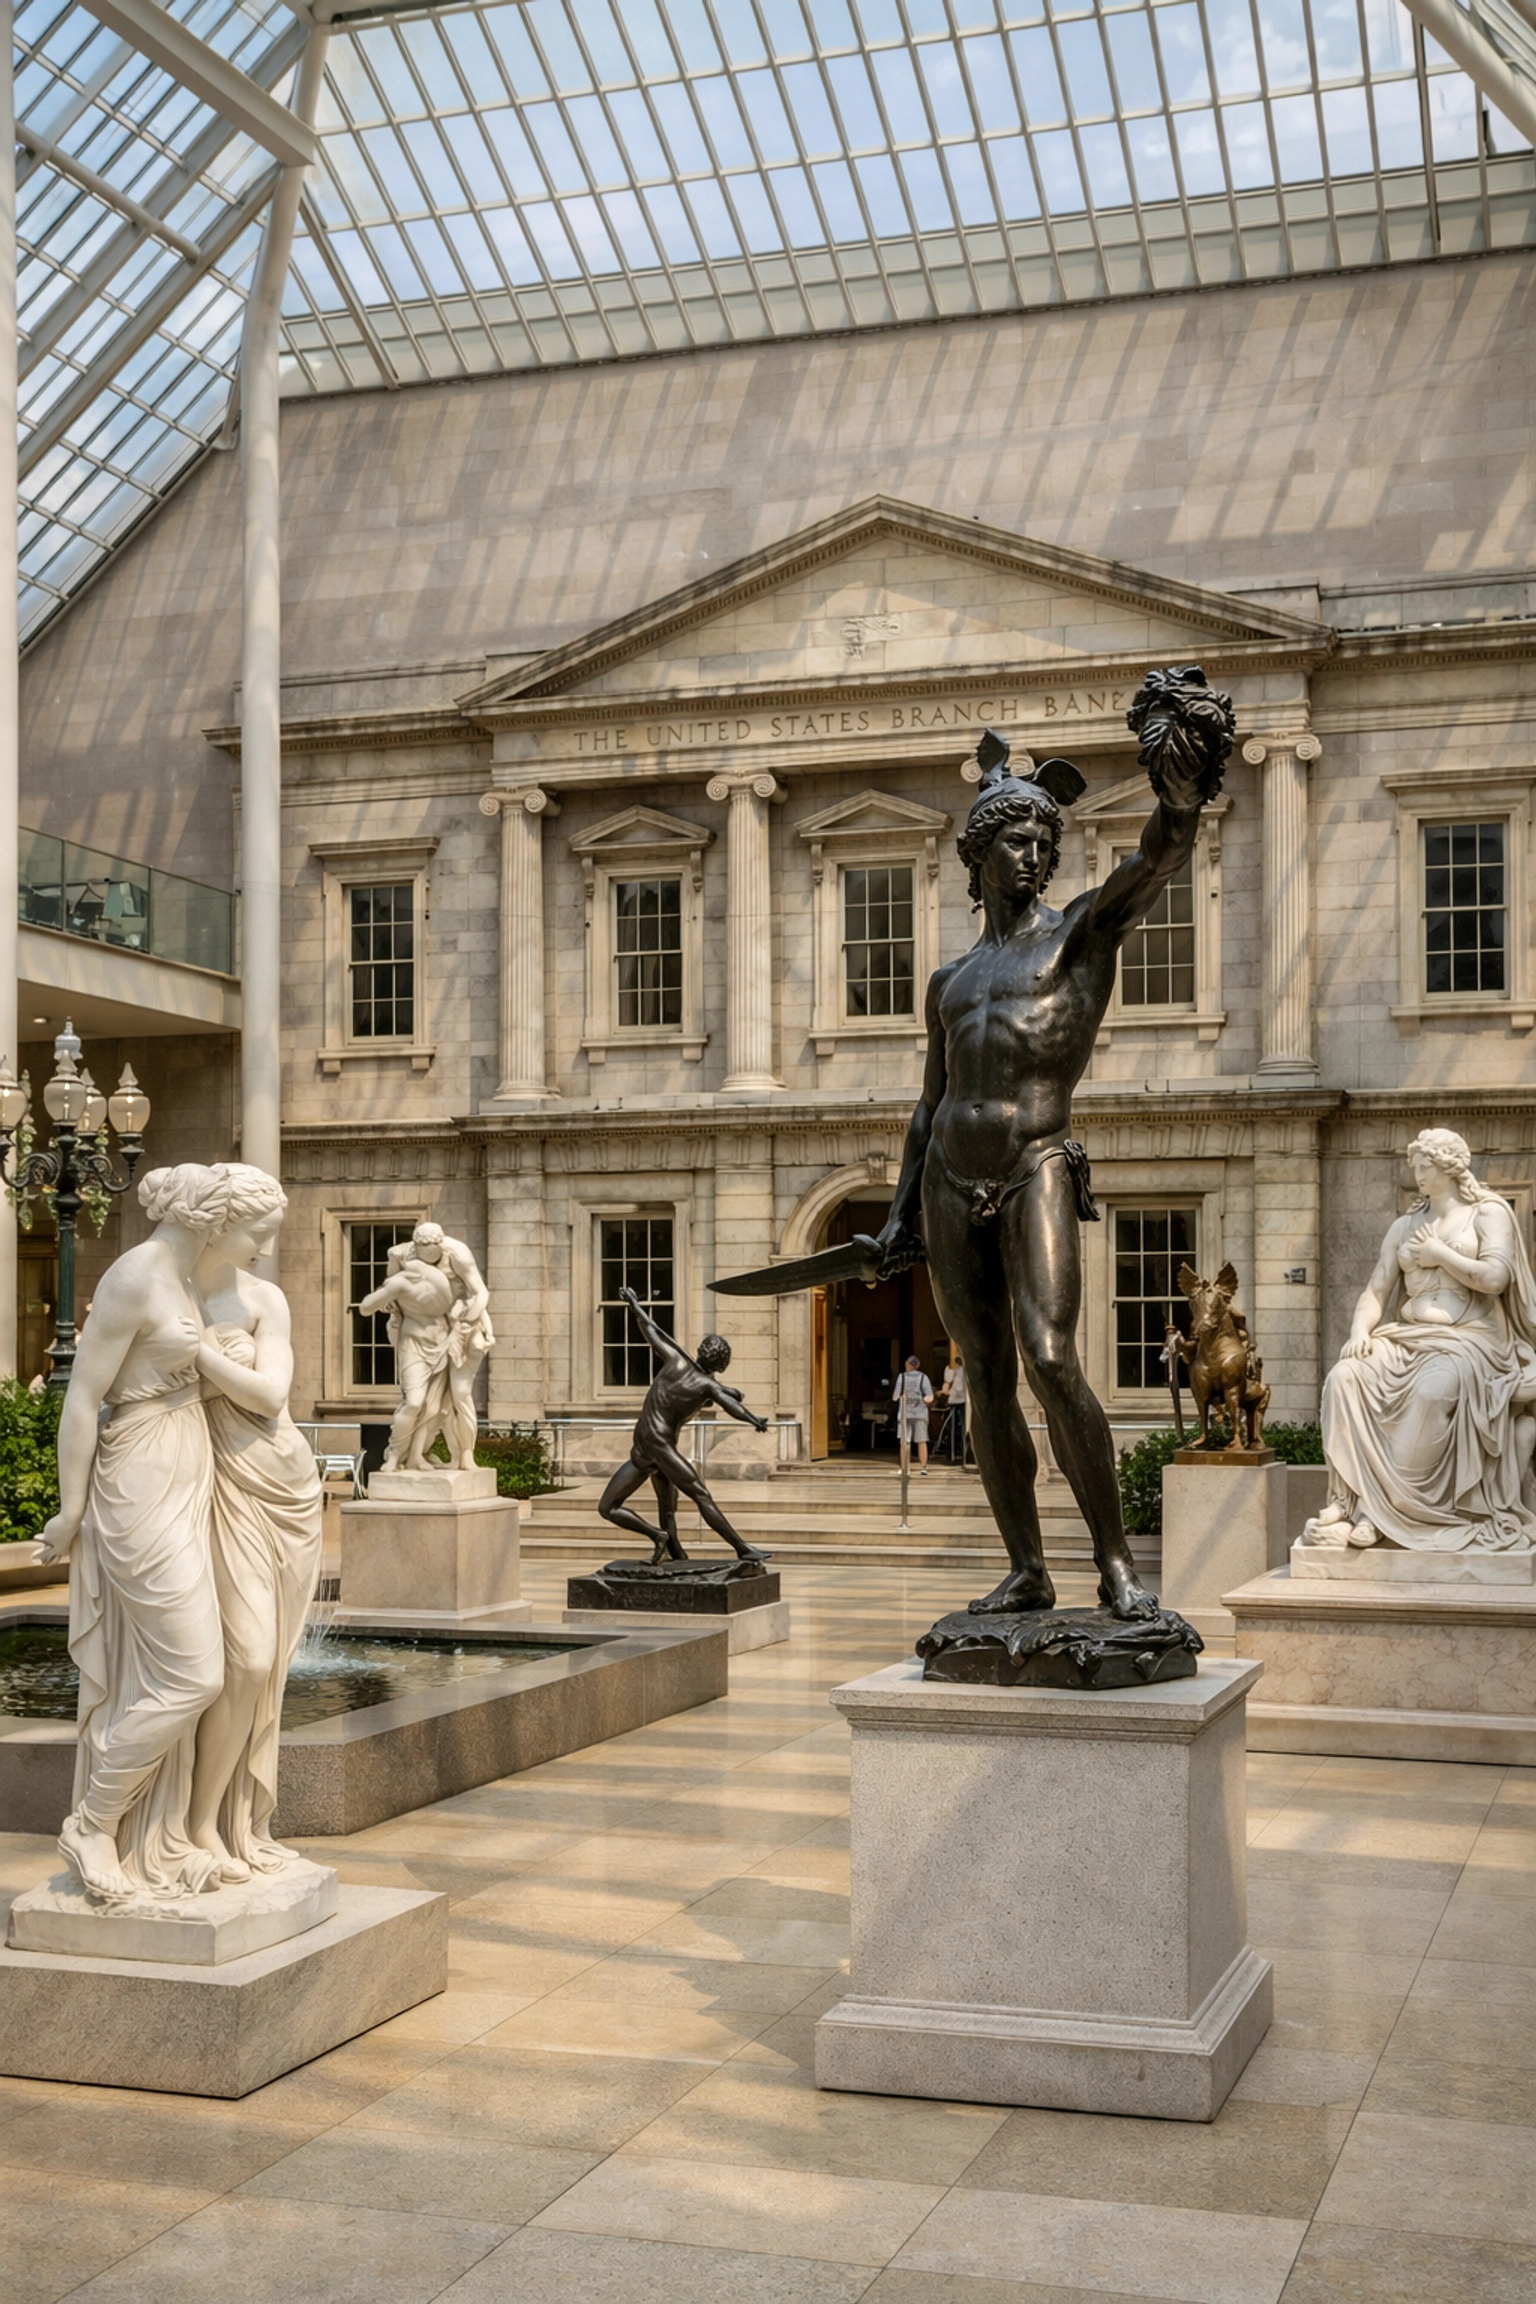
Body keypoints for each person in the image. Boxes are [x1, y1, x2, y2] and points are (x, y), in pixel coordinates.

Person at [872, 674, 1234, 1619]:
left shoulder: (1079, 937)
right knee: (984, 1377)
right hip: (950, 1177)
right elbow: (927, 1102)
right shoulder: (950, 979)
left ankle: (1115, 1562)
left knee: (1051, 1354)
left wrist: (1181, 797)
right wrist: (899, 1213)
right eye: (1017, 842)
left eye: (1044, 841)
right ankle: (1029, 1569)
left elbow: (1153, 862)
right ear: (979, 854)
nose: (1035, 855)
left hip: (1037, 1161)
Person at [36, 1164, 227, 1904]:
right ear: (204, 1215)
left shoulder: (180, 1279)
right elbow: (83, 1399)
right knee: (193, 1675)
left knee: (172, 1675)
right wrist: (71, 1509)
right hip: (140, 1480)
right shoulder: (136, 1275)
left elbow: (169, 1370)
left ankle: (154, 1837)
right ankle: (92, 1821)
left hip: (182, 1468)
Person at [1303, 1128, 1536, 1554]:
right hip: (1409, 1338)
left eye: (1424, 1166)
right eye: (1414, 1166)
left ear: (1448, 1166)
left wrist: (1441, 1255)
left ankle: (1386, 1511)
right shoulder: (1404, 1225)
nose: (1417, 1174)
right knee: (1344, 1377)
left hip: (1473, 1342)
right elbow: (1376, 1291)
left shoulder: (1487, 1214)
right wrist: (1359, 1332)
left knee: (1431, 1391)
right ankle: (1346, 1499)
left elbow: (1496, 1278)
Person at [187, 1165, 324, 1882]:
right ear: (215, 1223)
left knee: (261, 1669)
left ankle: (226, 1822)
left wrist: (201, 1354)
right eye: (257, 1232)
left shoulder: (263, 1299)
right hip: (209, 1487)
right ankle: (200, 1823)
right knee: (240, 1660)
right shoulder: (163, 1290)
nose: (266, 1248)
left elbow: (272, 1395)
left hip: (283, 1485)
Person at [597, 1286, 771, 1564]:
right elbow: (731, 1405)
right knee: (699, 1494)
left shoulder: (676, 1360)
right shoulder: (707, 1386)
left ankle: (673, 1548)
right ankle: (737, 1547)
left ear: (701, 1351)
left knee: (615, 1507)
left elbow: (650, 1329)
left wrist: (633, 1304)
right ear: (721, 1365)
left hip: (644, 1448)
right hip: (658, 1447)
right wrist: (753, 1419)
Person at [891, 1355, 934, 1474]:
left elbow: (895, 1396)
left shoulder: (901, 1377)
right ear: (918, 1366)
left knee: (905, 1441)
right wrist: (924, 1399)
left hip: (905, 1413)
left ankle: (905, 1468)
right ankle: (924, 1467)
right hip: (920, 1412)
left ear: (908, 1365)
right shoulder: (924, 1377)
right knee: (922, 1440)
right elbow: (930, 1396)